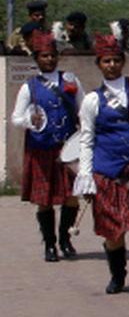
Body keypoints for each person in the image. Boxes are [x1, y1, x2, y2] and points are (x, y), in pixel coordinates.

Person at [73, 32, 129, 295]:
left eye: (115, 60)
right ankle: (118, 274)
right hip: (108, 173)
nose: (111, 65)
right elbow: (87, 139)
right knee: (113, 231)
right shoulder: (92, 100)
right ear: (98, 64)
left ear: (123, 61)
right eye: (106, 61)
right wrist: (86, 175)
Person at [12, 29, 80, 262]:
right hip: (41, 149)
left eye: (52, 55)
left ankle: (65, 240)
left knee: (72, 196)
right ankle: (49, 244)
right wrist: (30, 121)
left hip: (69, 149)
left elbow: (82, 109)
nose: (49, 59)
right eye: (44, 56)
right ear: (36, 59)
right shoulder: (28, 87)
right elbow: (16, 118)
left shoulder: (70, 80)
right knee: (44, 199)